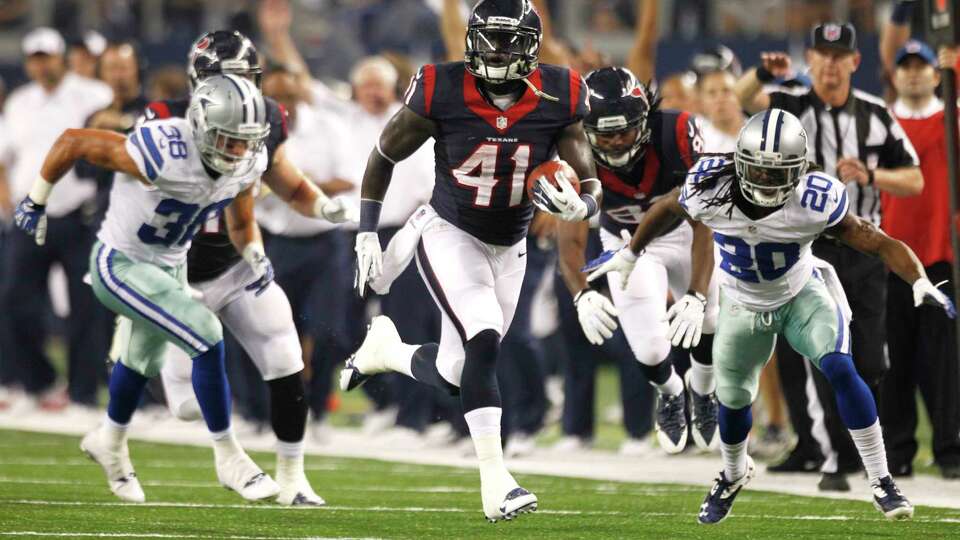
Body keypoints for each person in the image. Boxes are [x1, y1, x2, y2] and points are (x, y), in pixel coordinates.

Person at [588, 109, 948, 523]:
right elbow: (668, 208)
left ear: (798, 172)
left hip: (800, 295)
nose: (764, 182)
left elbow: (878, 241)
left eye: (777, 175)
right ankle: (732, 472)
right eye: (757, 171)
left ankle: (882, 479)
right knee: (734, 398)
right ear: (740, 162)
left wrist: (918, 280)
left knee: (841, 369)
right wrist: (633, 253)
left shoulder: (814, 198)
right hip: (742, 302)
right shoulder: (711, 184)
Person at [342, 0, 601, 522]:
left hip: (513, 244)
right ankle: (495, 482)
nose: (499, 51)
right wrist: (367, 231)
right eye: (490, 38)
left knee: (460, 372)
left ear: (531, 47)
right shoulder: (442, 86)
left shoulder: (561, 92)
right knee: (483, 340)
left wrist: (584, 205)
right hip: (449, 231)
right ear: (470, 38)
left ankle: (387, 352)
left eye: (510, 41)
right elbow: (384, 154)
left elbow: (589, 174)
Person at [13, 75, 281, 503]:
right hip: (121, 262)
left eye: (245, 141)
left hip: (170, 266)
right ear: (200, 125)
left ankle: (110, 441)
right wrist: (36, 199)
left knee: (141, 359)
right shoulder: (164, 149)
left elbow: (242, 217)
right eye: (228, 139)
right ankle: (229, 457)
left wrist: (254, 255)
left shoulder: (249, 160)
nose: (238, 150)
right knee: (206, 332)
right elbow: (74, 141)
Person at [142, 31, 353, 506]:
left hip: (234, 262)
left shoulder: (268, 119)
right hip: (174, 273)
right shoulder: (163, 121)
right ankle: (138, 349)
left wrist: (324, 209)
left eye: (247, 79)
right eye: (228, 79)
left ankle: (293, 476)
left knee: (286, 357)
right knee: (186, 407)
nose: (242, 92)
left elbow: (290, 186)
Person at [734, 22, 922, 490]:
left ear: (855, 62)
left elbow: (914, 179)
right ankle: (835, 459)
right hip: (810, 248)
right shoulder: (789, 105)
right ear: (810, 59)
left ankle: (855, 447)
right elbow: (742, 100)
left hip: (864, 246)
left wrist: (873, 176)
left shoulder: (876, 114)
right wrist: (760, 73)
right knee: (824, 353)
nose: (831, 63)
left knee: (871, 362)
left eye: (840, 56)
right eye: (822, 54)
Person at [557, 66, 719, 454]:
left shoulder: (677, 132)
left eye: (624, 131)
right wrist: (581, 295)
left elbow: (704, 223)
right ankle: (671, 392)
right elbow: (571, 234)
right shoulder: (572, 147)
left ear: (644, 121)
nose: (614, 143)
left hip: (684, 232)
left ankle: (704, 390)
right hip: (627, 244)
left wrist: (695, 295)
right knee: (648, 349)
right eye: (605, 134)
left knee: (710, 319)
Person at [0, 27, 112, 411]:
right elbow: (6, 157)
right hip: (29, 215)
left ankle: (81, 393)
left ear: (60, 57)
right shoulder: (20, 102)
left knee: (85, 306)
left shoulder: (92, 95)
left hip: (79, 215)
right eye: (35, 57)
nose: (41, 64)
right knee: (14, 300)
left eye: (47, 56)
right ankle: (41, 381)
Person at [880, 41, 960, 479]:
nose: (913, 73)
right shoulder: (882, 123)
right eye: (905, 66)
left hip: (938, 255)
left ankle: (950, 448)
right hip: (890, 256)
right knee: (895, 361)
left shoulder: (951, 117)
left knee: (943, 361)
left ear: (935, 73)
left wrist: (958, 73)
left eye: (922, 67)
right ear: (894, 74)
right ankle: (899, 451)